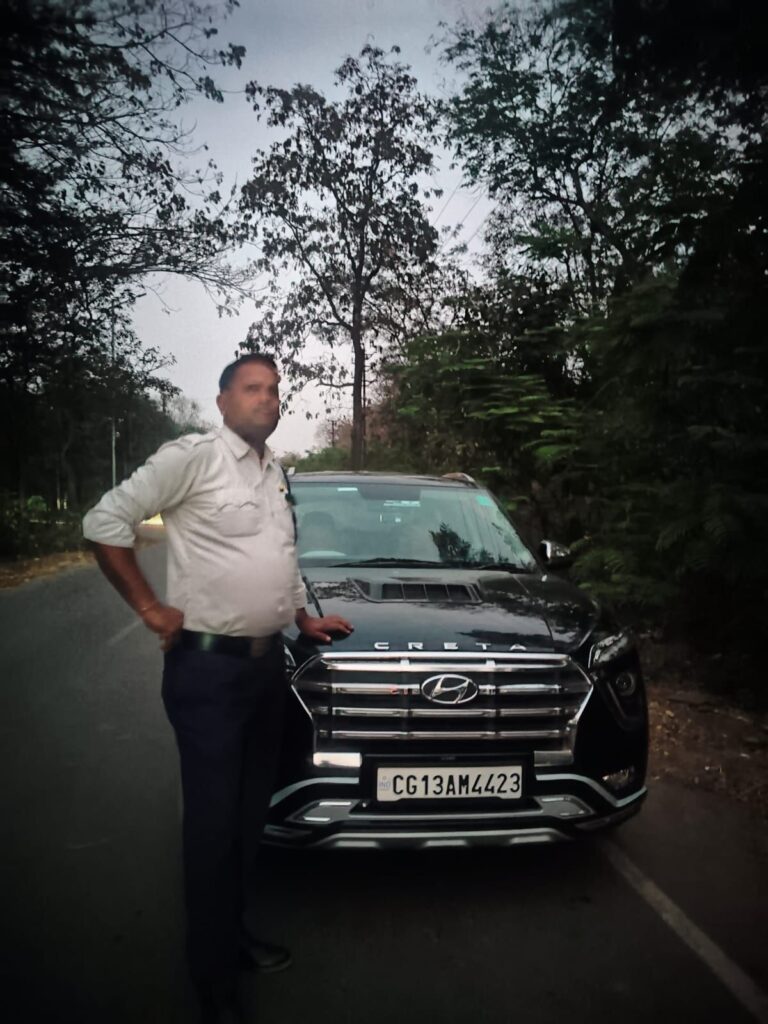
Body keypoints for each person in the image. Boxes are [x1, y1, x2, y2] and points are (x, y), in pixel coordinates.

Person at [83, 353, 353, 1023]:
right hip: (207, 673)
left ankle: (232, 938)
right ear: (224, 401)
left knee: (247, 818)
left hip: (266, 669)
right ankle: (212, 983)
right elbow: (104, 523)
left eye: (275, 390)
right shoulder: (193, 458)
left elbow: (280, 558)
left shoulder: (273, 471)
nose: (268, 399)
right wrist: (150, 608)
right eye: (253, 388)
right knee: (212, 827)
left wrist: (302, 618)